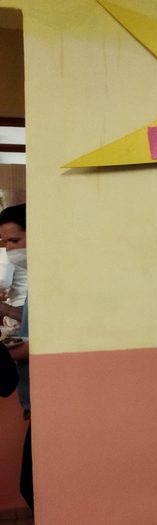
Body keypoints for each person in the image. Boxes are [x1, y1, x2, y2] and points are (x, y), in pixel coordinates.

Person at [0, 203, 32, 513]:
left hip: (41, 398)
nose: (10, 250)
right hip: (30, 397)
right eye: (5, 242)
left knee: (31, 486)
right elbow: (30, 323)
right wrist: (7, 310)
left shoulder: (52, 280)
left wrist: (5, 353)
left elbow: (39, 344)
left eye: (14, 241)